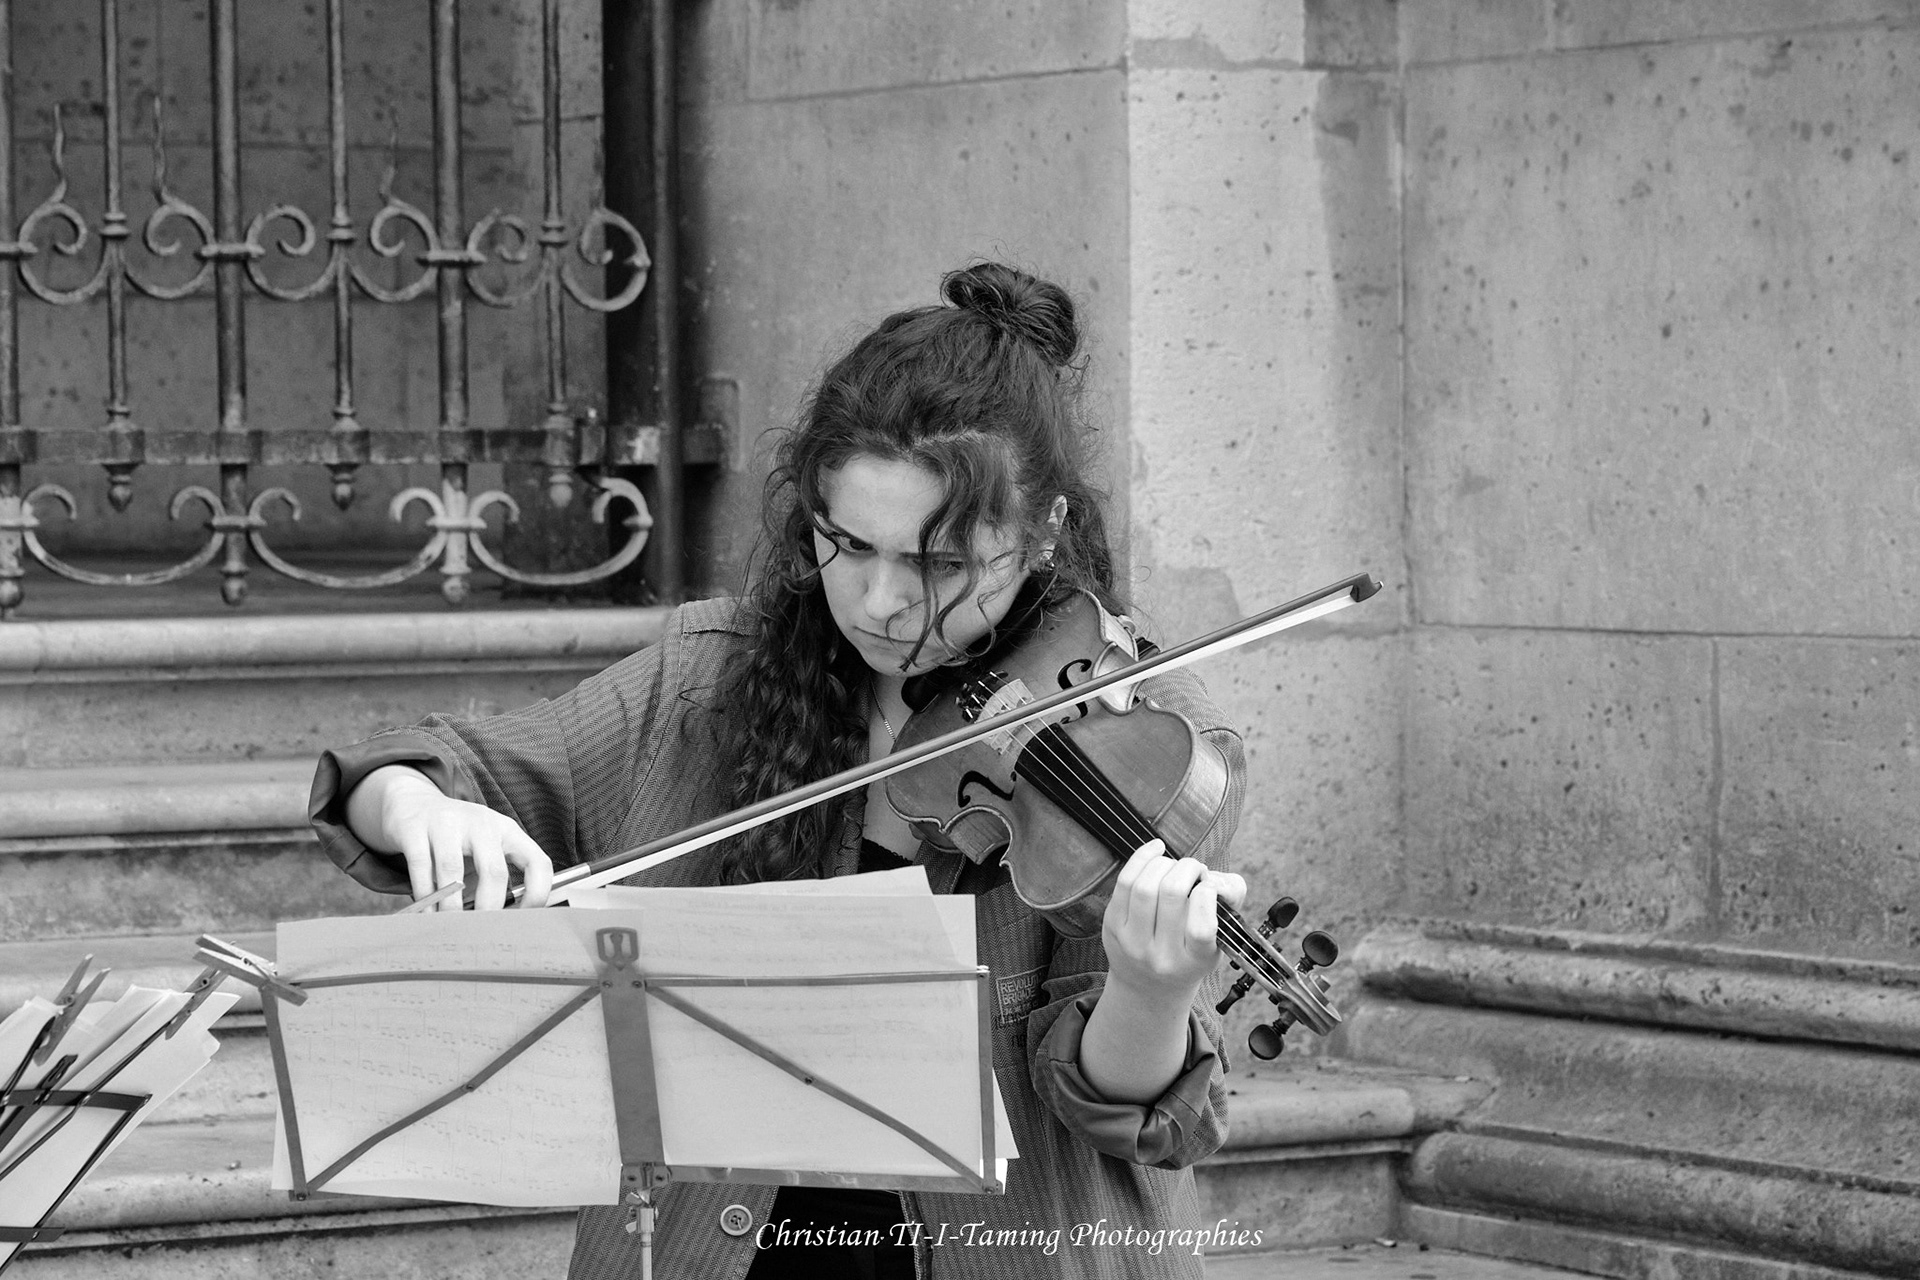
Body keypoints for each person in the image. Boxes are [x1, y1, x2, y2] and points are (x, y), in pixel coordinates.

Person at [309, 261, 1248, 1279]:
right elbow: (423, 769)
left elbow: (1121, 1110)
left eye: (937, 565)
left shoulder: (1131, 735)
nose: (882, 600)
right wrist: (419, 807)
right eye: (848, 543)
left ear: (1043, 533)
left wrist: (1152, 991)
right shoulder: (711, 675)